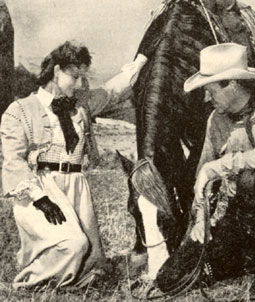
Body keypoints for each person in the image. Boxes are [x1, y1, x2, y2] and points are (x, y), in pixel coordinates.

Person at [0, 40, 147, 289]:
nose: (79, 84)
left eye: (82, 77)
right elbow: (13, 160)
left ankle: (68, 280)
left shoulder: (81, 104)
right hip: (41, 189)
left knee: (92, 261)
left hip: (78, 188)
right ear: (56, 71)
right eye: (74, 76)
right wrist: (40, 198)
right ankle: (28, 283)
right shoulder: (20, 110)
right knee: (74, 243)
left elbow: (112, 90)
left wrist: (143, 58)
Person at [183, 43, 255, 284]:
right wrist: (201, 218)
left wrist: (219, 167)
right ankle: (240, 260)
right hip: (236, 214)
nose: (206, 97)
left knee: (251, 180)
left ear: (233, 85)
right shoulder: (215, 120)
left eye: (211, 90)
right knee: (175, 274)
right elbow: (203, 172)